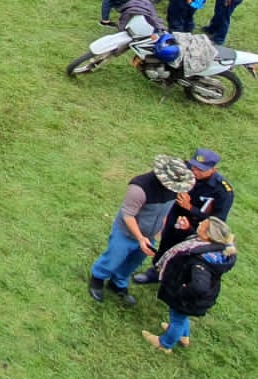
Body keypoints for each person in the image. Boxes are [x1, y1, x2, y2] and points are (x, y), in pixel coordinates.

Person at [87, 154, 193, 305]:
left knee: (134, 262)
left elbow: (166, 210)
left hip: (149, 235)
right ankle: (98, 279)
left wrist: (160, 230)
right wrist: (140, 238)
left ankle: (118, 283)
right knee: (114, 257)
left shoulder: (174, 188)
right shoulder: (139, 188)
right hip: (126, 233)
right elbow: (128, 215)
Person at [134, 148, 235, 285]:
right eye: (194, 166)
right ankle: (156, 271)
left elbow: (217, 220)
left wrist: (190, 208)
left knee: (186, 253)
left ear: (213, 169)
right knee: (167, 242)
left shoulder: (222, 191)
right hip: (175, 214)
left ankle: (175, 279)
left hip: (198, 226)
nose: (195, 172)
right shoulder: (185, 169)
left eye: (201, 170)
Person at [142, 216, 235, 353]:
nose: (200, 223)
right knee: (181, 317)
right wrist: (187, 230)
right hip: (197, 298)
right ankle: (184, 337)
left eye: (203, 224)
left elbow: (199, 287)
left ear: (207, 234)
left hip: (188, 299)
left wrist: (181, 292)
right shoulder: (214, 248)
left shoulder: (201, 261)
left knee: (177, 318)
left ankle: (164, 344)